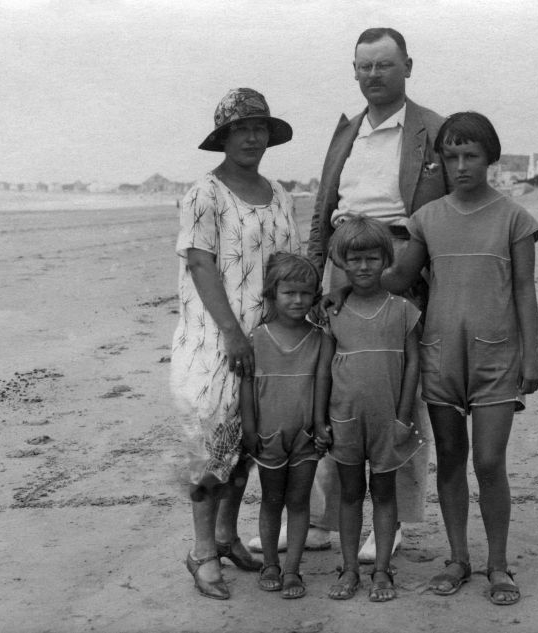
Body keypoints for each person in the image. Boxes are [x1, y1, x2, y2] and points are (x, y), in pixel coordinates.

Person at [248, 26, 451, 562]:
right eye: (364, 66)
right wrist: (316, 276)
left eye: (384, 65)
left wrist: (425, 276)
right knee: (335, 387)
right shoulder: (348, 131)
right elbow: (322, 212)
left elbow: (449, 211)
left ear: (408, 65)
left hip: (406, 263)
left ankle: (397, 520)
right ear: (354, 71)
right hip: (344, 259)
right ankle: (316, 520)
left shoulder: (434, 129)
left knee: (395, 388)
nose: (373, 76)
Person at [381, 112, 538, 606]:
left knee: (490, 461)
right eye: (450, 157)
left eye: (470, 155)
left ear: (490, 157)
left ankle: (498, 564)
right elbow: (397, 277)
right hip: (441, 357)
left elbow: (524, 289)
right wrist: (352, 270)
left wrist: (531, 358)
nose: (460, 165)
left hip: (498, 358)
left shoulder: (515, 218)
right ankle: (458, 557)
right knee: (451, 460)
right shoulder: (427, 219)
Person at [170, 87, 301, 601]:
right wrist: (232, 334)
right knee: (210, 448)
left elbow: (291, 267)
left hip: (267, 338)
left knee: (248, 442)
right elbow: (200, 263)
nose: (251, 137)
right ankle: (202, 550)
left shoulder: (282, 194)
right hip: (214, 341)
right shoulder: (205, 192)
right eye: (240, 129)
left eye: (259, 128)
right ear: (224, 138)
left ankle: (227, 535)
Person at [318, 216, 425, 602]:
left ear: (387, 260)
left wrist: (404, 416)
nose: (363, 266)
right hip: (343, 418)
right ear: (342, 263)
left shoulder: (403, 309)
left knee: (384, 494)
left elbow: (413, 363)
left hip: (388, 420)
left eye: (372, 258)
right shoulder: (334, 312)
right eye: (355, 259)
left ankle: (381, 570)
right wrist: (319, 420)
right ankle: (349, 569)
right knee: (349, 494)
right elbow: (323, 370)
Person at [239, 253, 333, 600]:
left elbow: (323, 383)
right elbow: (246, 387)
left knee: (298, 501)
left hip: (306, 436)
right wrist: (250, 431)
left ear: (315, 296)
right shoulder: (256, 338)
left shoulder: (321, 338)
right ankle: (270, 564)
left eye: (306, 294)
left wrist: (321, 425)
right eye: (289, 293)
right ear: (271, 294)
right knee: (271, 499)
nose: (298, 300)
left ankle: (292, 569)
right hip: (268, 436)